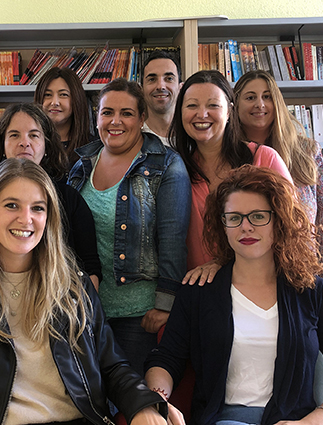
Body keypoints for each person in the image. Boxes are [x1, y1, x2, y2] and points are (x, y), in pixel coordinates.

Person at [0, 159, 168, 425]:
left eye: (38, 208)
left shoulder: (74, 285)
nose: (26, 219)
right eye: (12, 205)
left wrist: (144, 405)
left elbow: (112, 367)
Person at [145, 165, 323, 425]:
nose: (245, 227)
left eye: (257, 216)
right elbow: (166, 359)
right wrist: (157, 399)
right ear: (223, 225)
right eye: (234, 217)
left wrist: (314, 421)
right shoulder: (198, 291)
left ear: (279, 220)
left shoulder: (310, 291)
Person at [68, 78, 191, 375]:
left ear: (142, 118)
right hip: (84, 312)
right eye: (107, 112)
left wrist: (165, 305)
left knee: (129, 407)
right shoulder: (81, 164)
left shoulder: (166, 165)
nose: (115, 121)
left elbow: (173, 239)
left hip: (139, 316)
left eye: (126, 113)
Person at [0, 102, 101, 287]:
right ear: (2, 145)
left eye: (34, 135)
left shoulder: (70, 199)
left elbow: (90, 270)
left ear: (47, 145)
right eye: (14, 135)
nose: (24, 142)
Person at [233, 70, 323, 305]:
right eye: (250, 97)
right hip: (245, 277)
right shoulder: (229, 155)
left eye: (267, 96)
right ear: (235, 104)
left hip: (300, 274)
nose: (260, 104)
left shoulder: (306, 151)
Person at [170, 70, 293, 277]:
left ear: (229, 111)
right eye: (192, 105)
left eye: (213, 105)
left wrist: (223, 264)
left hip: (263, 287)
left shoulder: (264, 159)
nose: (202, 114)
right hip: (200, 293)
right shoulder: (175, 169)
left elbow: (292, 229)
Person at [34, 67, 93, 168]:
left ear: (76, 100)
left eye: (63, 95)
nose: (54, 102)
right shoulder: (29, 145)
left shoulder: (93, 148)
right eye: (47, 95)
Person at [141, 50, 183, 146]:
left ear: (180, 87)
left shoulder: (194, 138)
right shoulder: (134, 139)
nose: (160, 86)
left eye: (169, 78)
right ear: (142, 88)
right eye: (152, 79)